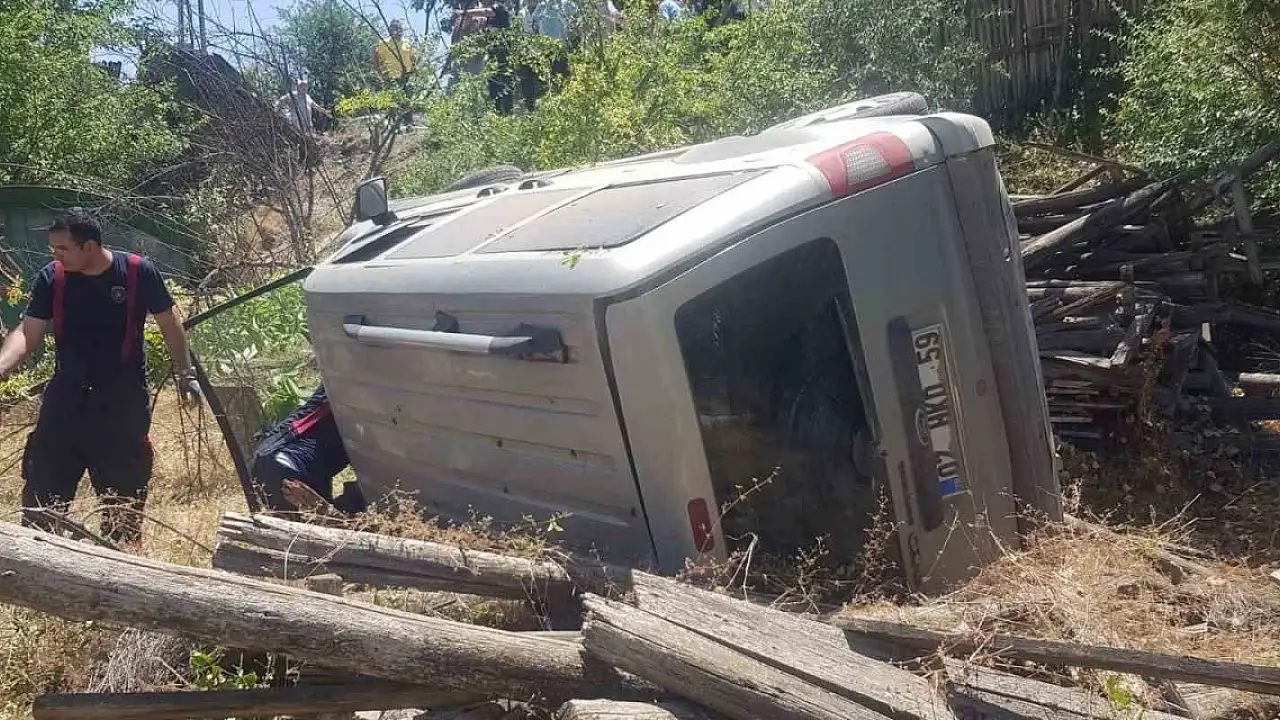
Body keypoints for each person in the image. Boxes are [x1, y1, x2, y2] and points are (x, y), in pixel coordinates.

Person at [0, 208, 201, 545]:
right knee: (41, 501)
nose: (56, 255)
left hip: (122, 403)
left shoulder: (137, 272)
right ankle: (35, 560)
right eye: (54, 249)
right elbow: (27, 331)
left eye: (63, 249)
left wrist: (185, 372)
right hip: (66, 399)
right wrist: (2, 365)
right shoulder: (52, 278)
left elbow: (169, 323)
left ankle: (119, 565)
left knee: (123, 506)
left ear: (90, 246)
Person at [249, 384, 364, 516]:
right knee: (325, 524)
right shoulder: (363, 415)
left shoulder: (332, 385)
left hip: (267, 457)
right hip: (298, 473)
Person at [373, 19, 416, 84]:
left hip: (407, 78)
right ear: (390, 30)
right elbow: (376, 59)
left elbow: (413, 59)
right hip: (391, 79)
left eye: (399, 27)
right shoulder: (384, 43)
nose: (397, 30)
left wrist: (413, 74)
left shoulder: (407, 43)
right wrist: (380, 74)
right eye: (395, 27)